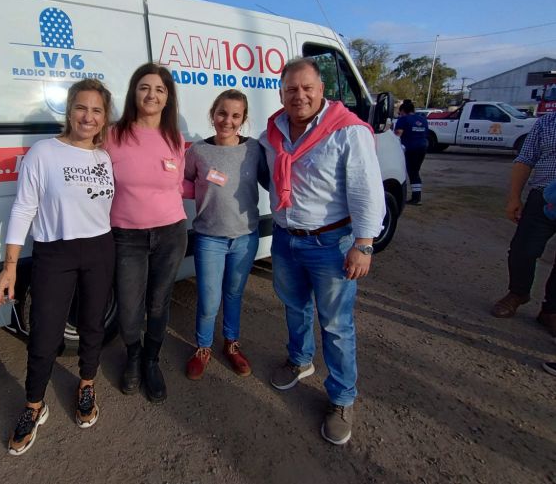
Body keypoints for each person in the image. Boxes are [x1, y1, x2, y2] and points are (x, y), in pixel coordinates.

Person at [260, 57, 385, 446]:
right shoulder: (274, 132)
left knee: (336, 323)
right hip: (286, 237)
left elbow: (367, 190)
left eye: (306, 88)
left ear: (321, 89)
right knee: (294, 307)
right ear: (281, 93)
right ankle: (300, 361)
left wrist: (364, 245)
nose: (299, 95)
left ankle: (342, 398)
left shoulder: (347, 131)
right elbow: (267, 175)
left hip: (332, 243)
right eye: (291, 89)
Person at [0, 78, 115, 456]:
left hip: (100, 248)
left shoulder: (104, 156)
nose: (88, 117)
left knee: (93, 324)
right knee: (44, 334)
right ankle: (34, 405)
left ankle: (87, 383)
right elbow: (23, 208)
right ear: (69, 110)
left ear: (105, 117)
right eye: (81, 107)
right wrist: (10, 265)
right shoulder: (44, 152)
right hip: (54, 253)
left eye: (96, 110)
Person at [105, 63, 188, 404]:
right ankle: (133, 356)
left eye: (160, 89)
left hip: (170, 232)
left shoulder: (175, 139)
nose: (151, 95)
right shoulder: (112, 135)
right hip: (126, 235)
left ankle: (151, 361)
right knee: (128, 308)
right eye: (144, 87)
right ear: (133, 92)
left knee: (158, 304)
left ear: (168, 98)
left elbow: (181, 183)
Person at [182, 89, 268, 380]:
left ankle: (231, 344)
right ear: (212, 114)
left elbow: (275, 179)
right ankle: (203, 348)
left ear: (243, 119)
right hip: (209, 238)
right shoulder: (198, 151)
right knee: (208, 299)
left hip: (245, 238)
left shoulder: (254, 149)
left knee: (233, 294)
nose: (227, 121)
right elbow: (179, 180)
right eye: (222, 113)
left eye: (235, 115)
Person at [491, 115, 556, 337]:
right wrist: (514, 198)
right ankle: (518, 292)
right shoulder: (547, 123)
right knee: (523, 250)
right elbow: (525, 159)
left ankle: (551, 310)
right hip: (544, 197)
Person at [394, 99, 429, 205]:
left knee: (410, 171)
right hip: (422, 147)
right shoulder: (423, 119)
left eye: (400, 113)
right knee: (415, 171)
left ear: (403, 111)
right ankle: (417, 196)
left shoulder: (403, 119)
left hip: (410, 148)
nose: (400, 114)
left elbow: (398, 134)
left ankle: (415, 198)